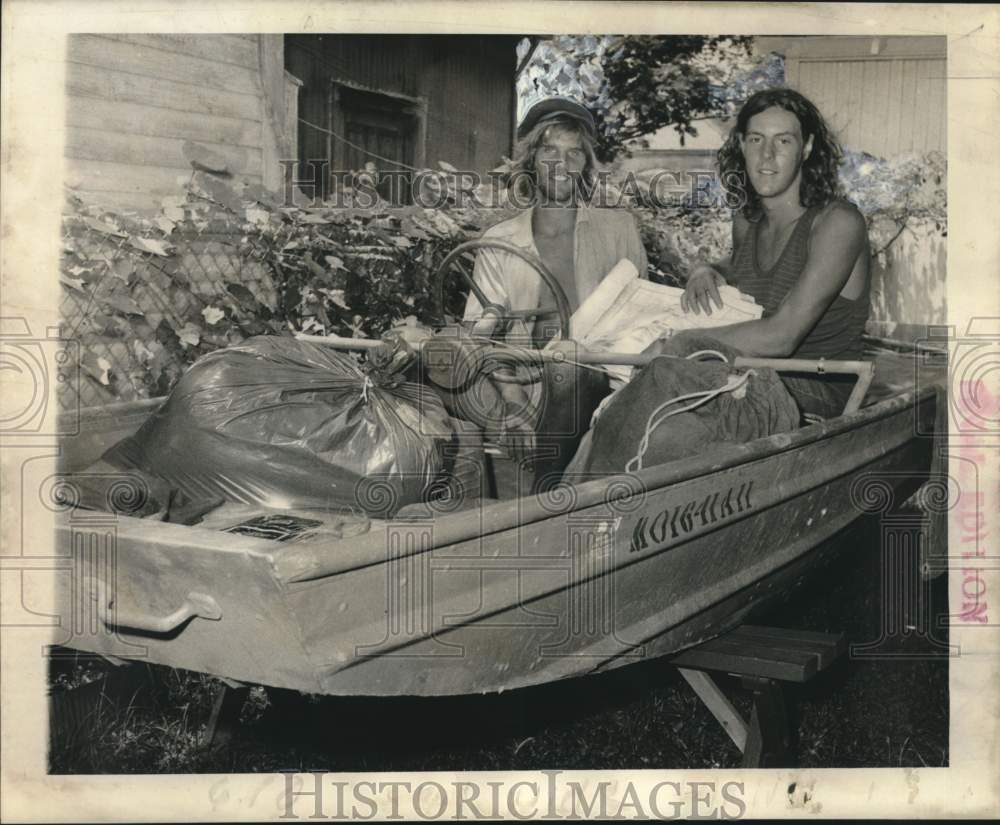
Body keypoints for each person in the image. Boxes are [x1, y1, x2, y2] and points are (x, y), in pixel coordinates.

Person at [459, 97, 649, 487]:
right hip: (523, 389)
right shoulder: (500, 241)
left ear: (587, 163)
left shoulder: (618, 230)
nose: (561, 164)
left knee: (569, 361)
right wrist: (511, 399)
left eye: (574, 152)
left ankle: (542, 502)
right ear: (530, 159)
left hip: (604, 388)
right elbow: (479, 338)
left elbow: (644, 322)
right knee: (440, 354)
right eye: (549, 150)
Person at [652, 87, 871, 419]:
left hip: (818, 391)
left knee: (674, 386)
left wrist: (681, 342)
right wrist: (705, 268)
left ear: (807, 148)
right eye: (756, 140)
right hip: (756, 374)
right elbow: (739, 265)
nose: (767, 156)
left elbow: (781, 338)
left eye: (783, 141)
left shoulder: (837, 223)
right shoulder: (748, 221)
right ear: (741, 144)